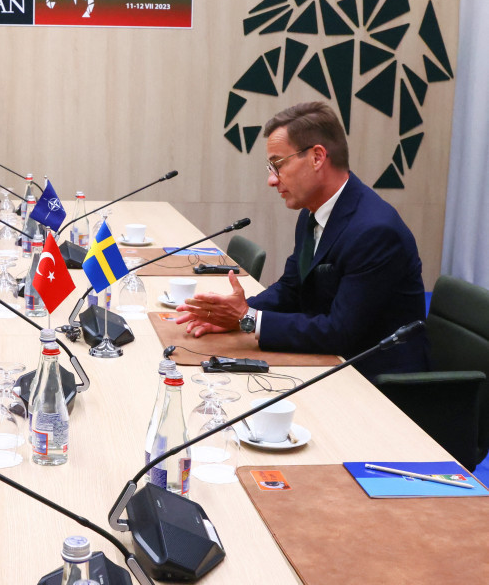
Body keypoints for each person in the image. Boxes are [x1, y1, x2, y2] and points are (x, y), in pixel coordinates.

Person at [175, 101, 429, 378]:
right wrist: (238, 314)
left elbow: (340, 332)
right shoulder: (315, 211)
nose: (272, 181)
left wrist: (249, 320)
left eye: (278, 165)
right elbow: (292, 288)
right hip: (327, 362)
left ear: (317, 157)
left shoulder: (375, 231)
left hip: (376, 383)